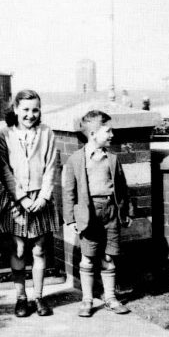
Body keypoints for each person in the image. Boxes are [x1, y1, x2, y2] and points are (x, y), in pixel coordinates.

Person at [0, 90, 61, 317]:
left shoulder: (46, 133)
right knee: (19, 249)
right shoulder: (5, 134)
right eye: (25, 110)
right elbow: (4, 170)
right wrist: (20, 197)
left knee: (39, 249)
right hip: (16, 199)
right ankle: (21, 297)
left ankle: (39, 297)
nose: (30, 115)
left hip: (41, 198)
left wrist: (43, 197)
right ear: (15, 109)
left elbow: (52, 165)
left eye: (35, 109)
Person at [61, 110, 132, 317]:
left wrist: (126, 212)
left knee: (109, 257)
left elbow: (122, 187)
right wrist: (71, 217)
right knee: (88, 258)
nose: (112, 135)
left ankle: (110, 298)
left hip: (110, 212)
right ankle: (87, 299)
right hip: (87, 213)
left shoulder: (113, 159)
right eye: (108, 131)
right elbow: (69, 191)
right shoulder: (76, 159)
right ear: (93, 133)